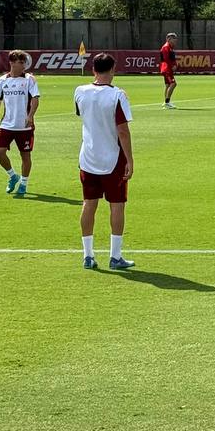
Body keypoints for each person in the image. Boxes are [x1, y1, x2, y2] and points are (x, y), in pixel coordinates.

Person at [75, 53, 135, 271]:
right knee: (117, 204)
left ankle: (88, 255)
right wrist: (130, 159)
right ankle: (115, 256)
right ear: (112, 70)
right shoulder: (117, 95)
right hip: (112, 158)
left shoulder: (80, 91)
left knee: (89, 203)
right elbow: (123, 131)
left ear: (93, 70)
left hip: (88, 157)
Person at [0, 50, 39, 197]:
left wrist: (30, 116)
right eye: (21, 62)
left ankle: (23, 184)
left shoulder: (29, 79)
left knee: (25, 156)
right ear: (12, 62)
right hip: (6, 124)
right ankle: (13, 176)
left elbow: (35, 99)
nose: (24, 65)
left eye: (24, 62)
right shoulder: (2, 80)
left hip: (24, 126)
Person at [159, 33, 178, 109]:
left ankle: (166, 102)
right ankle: (167, 102)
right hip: (167, 69)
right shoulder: (166, 47)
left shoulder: (170, 47)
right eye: (174, 39)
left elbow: (172, 58)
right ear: (169, 39)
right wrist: (172, 66)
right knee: (173, 84)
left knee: (167, 85)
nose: (175, 41)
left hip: (166, 68)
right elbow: (166, 59)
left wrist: (175, 64)